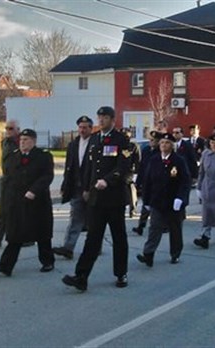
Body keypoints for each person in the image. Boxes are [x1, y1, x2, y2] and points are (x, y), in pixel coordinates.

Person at [62, 106, 130, 291]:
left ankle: (121, 273)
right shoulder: (94, 139)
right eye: (99, 117)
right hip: (96, 199)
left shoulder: (121, 140)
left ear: (112, 120)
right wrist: (86, 188)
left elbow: (123, 166)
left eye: (105, 117)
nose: (101, 121)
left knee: (118, 237)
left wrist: (107, 181)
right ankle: (81, 276)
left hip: (114, 198)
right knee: (92, 238)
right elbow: (89, 168)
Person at [0, 129, 55, 276]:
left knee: (42, 234)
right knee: (15, 235)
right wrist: (6, 200)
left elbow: (47, 176)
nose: (23, 142)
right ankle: (6, 265)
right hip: (18, 202)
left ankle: (47, 262)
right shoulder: (13, 157)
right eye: (21, 140)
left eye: (26, 140)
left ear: (34, 141)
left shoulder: (43, 156)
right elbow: (8, 179)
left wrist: (34, 190)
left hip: (38, 201)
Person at [137, 133, 190, 266]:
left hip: (174, 202)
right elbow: (148, 181)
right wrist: (146, 201)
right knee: (154, 228)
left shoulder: (178, 160)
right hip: (157, 200)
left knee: (175, 229)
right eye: (161, 143)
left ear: (172, 146)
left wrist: (181, 198)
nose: (163, 145)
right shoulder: (154, 160)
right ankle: (148, 254)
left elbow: (185, 181)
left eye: (167, 143)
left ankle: (175, 253)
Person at [53, 116, 93, 260]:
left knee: (94, 220)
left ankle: (96, 246)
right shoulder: (73, 144)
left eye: (85, 127)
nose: (82, 130)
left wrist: (90, 188)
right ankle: (68, 248)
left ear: (91, 128)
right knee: (75, 218)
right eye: (80, 127)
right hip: (77, 188)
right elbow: (68, 168)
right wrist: (65, 185)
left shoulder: (96, 143)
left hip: (92, 189)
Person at [132, 131, 162, 236]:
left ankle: (163, 225)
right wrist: (138, 182)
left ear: (158, 141)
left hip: (157, 182)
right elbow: (141, 167)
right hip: (146, 181)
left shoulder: (161, 152)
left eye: (153, 140)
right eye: (150, 140)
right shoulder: (146, 150)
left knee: (158, 205)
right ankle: (141, 226)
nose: (151, 142)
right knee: (145, 204)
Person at [121, 127, 141, 218]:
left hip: (129, 172)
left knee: (131, 191)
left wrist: (136, 173)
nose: (125, 138)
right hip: (118, 172)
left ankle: (132, 210)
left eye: (126, 136)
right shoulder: (117, 145)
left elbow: (138, 160)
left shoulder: (133, 146)